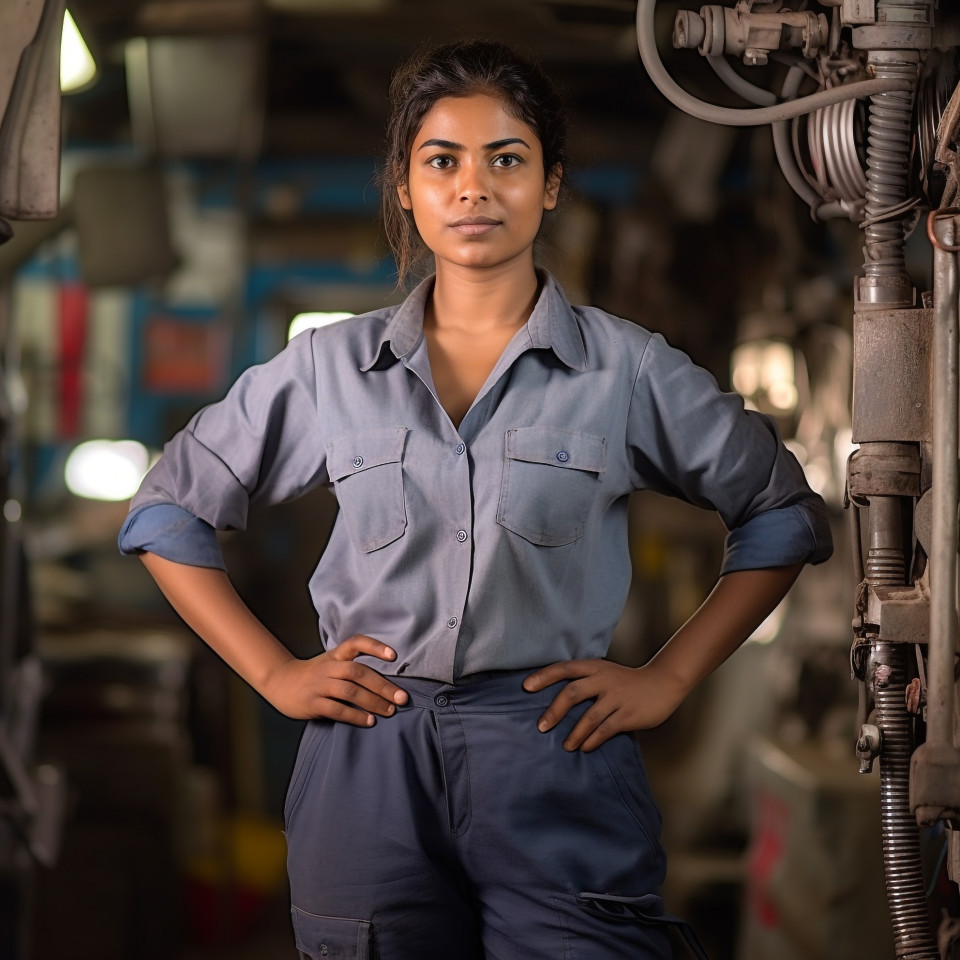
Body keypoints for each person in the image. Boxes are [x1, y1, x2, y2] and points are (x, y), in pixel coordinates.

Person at [119, 38, 832, 960]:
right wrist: (274, 674)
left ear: (551, 184)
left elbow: (781, 513)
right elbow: (169, 511)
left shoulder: (627, 370)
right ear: (405, 187)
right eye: (441, 161)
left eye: (506, 159)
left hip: (553, 751)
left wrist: (668, 677)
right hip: (369, 753)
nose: (473, 189)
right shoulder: (328, 368)